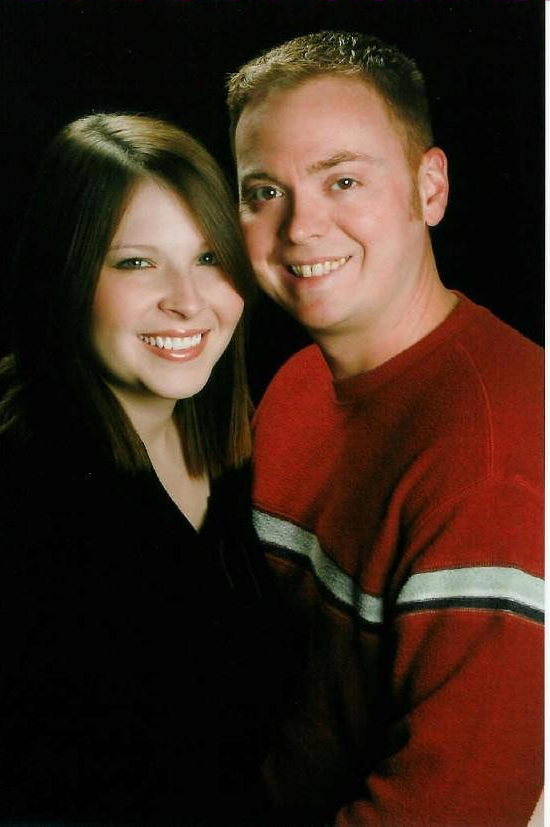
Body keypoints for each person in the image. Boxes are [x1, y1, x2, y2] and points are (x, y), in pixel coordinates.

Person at [227, 31, 544, 826]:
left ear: (429, 189)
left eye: (342, 180)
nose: (300, 227)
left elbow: (456, 809)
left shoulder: (498, 457)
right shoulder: (298, 383)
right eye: (264, 190)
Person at [0, 113, 283, 825]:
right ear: (66, 275)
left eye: (208, 257)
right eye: (136, 263)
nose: (187, 301)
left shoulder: (227, 440)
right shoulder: (10, 504)